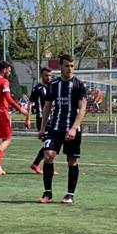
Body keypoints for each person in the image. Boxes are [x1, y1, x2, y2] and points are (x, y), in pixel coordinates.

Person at [37, 54, 88, 204]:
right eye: (67, 66)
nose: (70, 69)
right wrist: (42, 128)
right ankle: (47, 193)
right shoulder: (53, 85)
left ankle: (70, 194)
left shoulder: (79, 85)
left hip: (72, 129)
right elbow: (47, 106)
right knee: (48, 155)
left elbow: (82, 109)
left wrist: (73, 128)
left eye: (72, 66)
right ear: (60, 66)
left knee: (71, 161)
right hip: (55, 127)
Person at [0, 61, 28, 175]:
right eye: (9, 70)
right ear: (3, 69)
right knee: (8, 139)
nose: (10, 72)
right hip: (1, 113)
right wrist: (21, 109)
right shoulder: (4, 81)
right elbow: (8, 99)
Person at [28, 67, 52, 174]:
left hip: (52, 119)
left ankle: (36, 164)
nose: (49, 77)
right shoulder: (37, 88)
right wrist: (28, 118)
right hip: (42, 119)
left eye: (50, 75)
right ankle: (38, 165)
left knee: (51, 144)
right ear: (42, 75)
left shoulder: (52, 87)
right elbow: (30, 103)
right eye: (46, 75)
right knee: (49, 144)